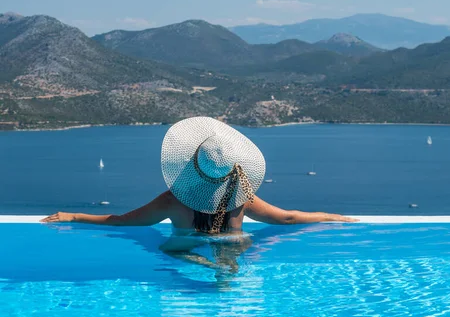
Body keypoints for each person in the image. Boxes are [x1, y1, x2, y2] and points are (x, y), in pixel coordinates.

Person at [41, 117, 358, 231]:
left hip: (186, 252)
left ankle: (200, 261)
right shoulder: (241, 197)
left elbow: (121, 221)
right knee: (253, 245)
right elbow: (287, 218)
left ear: (191, 163)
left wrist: (73, 216)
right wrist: (333, 216)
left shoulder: (171, 201)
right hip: (235, 247)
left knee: (175, 251)